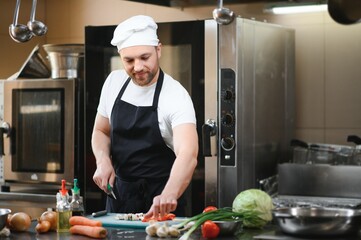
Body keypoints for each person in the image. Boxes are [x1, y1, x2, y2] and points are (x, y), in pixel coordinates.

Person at [91, 15, 198, 219]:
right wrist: (102, 160)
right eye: (129, 60)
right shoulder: (114, 82)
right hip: (119, 201)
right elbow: (101, 130)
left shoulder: (175, 95)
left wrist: (170, 193)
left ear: (158, 50)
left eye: (144, 57)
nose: (138, 67)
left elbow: (188, 153)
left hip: (161, 203)